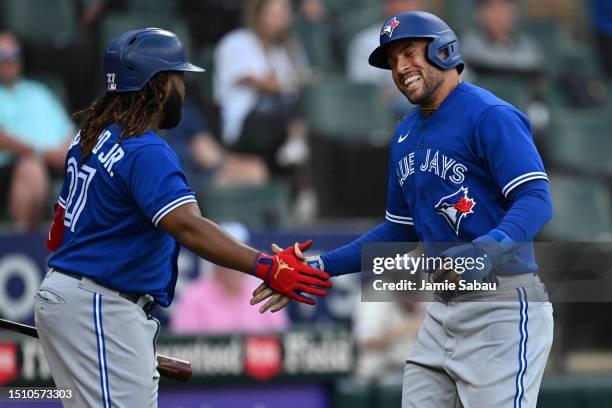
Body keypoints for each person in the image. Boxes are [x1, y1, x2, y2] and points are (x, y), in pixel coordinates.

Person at [252, 12, 554, 407]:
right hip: (442, 311)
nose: (400, 67)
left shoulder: (489, 114)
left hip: (502, 306)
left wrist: (486, 249)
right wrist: (319, 266)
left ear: (444, 51)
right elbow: (399, 230)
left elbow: (536, 199)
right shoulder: (405, 133)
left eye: (409, 52)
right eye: (392, 61)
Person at [34, 28, 330, 408]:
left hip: (80, 295)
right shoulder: (144, 149)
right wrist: (265, 266)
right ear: (158, 85)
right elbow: (189, 226)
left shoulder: (91, 136)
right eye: (179, 77)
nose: (184, 89)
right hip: (100, 303)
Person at [214, 0, 317, 221]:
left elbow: (303, 83)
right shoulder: (237, 42)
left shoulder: (284, 49)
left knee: (306, 108)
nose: (280, 21)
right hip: (243, 126)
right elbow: (260, 82)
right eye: (275, 14)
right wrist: (288, 83)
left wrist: (291, 63)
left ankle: (304, 195)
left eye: (284, 15)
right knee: (286, 103)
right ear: (258, 15)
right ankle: (296, 144)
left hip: (277, 126)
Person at [0, 32, 75, 230]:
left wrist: (70, 154)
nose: (9, 61)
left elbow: (69, 131)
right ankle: (26, 246)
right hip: (12, 167)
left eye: (13, 55)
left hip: (57, 162)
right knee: (31, 169)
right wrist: (40, 152)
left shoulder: (40, 91)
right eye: (2, 56)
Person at [171, 223, 288, 334]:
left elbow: (282, 341)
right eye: (226, 255)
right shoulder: (194, 296)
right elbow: (183, 346)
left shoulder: (265, 295)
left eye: (239, 256)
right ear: (214, 258)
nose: (233, 263)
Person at [347, 0, 428, 116]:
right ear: (387, 6)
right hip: (387, 110)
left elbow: (457, 77)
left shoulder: (435, 35)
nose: (407, 6)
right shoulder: (366, 41)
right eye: (400, 2)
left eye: (412, 2)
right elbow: (363, 91)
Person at [460, 0, 544, 76]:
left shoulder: (529, 46)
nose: (498, 15)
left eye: (504, 8)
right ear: (480, 13)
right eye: (492, 8)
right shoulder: (467, 42)